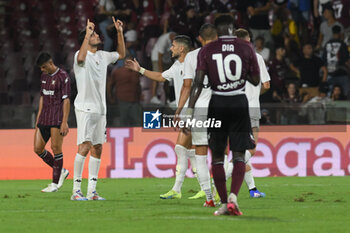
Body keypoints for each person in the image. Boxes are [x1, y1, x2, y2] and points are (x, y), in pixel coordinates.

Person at [187, 15, 260, 216]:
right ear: (232, 28)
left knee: (218, 156)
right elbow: (255, 80)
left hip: (218, 102)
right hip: (238, 101)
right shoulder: (246, 47)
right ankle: (234, 198)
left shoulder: (207, 50)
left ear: (217, 31)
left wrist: (189, 111)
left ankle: (222, 202)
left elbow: (198, 82)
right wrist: (239, 75)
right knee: (238, 154)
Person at [125, 35, 200, 200]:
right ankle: (205, 187)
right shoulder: (178, 64)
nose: (170, 48)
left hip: (195, 110)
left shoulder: (195, 62)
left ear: (181, 48)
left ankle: (179, 189)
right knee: (191, 150)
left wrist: (179, 111)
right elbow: (161, 77)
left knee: (181, 148)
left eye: (173, 46)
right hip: (189, 110)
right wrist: (140, 70)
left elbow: (189, 88)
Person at [71, 17, 125, 201]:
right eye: (93, 34)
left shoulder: (103, 55)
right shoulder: (80, 55)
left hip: (101, 110)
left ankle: (92, 190)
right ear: (86, 38)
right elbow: (80, 58)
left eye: (94, 34)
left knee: (98, 147)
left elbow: (121, 54)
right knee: (84, 146)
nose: (96, 35)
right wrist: (87, 34)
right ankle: (76, 190)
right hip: (85, 108)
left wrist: (119, 33)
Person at [174, 24, 218, 206]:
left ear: (200, 38)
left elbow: (188, 86)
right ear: (217, 37)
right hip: (220, 107)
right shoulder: (223, 54)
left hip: (199, 108)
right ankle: (221, 192)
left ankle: (209, 197)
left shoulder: (192, 56)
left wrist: (180, 110)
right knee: (221, 152)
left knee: (200, 152)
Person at [223, 28, 270, 198]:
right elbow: (266, 85)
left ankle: (253, 190)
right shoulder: (256, 57)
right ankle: (219, 179)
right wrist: (254, 93)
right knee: (250, 150)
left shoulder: (227, 60)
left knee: (238, 149)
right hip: (250, 108)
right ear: (248, 39)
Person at [34, 52, 70, 192]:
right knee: (37, 148)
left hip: (57, 117)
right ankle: (61, 171)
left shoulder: (63, 76)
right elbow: (42, 97)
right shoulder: (43, 77)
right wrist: (38, 118)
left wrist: (65, 122)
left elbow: (66, 100)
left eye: (43, 67)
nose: (42, 70)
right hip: (44, 118)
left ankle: (54, 184)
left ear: (50, 63)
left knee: (56, 149)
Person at [107, 55, 142, 127]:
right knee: (123, 122)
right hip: (122, 101)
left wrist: (140, 96)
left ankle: (139, 137)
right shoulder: (118, 72)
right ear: (124, 63)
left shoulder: (136, 73)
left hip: (135, 101)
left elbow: (138, 86)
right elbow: (109, 85)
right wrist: (110, 97)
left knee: (138, 123)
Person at [150, 32, 177, 104]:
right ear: (171, 37)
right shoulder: (163, 40)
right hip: (156, 58)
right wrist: (161, 71)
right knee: (156, 76)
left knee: (167, 79)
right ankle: (153, 97)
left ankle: (167, 99)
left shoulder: (175, 40)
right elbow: (159, 57)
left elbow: (172, 54)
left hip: (166, 59)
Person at [323, 25, 350, 97]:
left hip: (330, 73)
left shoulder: (327, 44)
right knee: (344, 95)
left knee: (330, 95)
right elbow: (346, 60)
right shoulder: (342, 44)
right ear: (340, 33)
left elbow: (324, 60)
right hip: (341, 73)